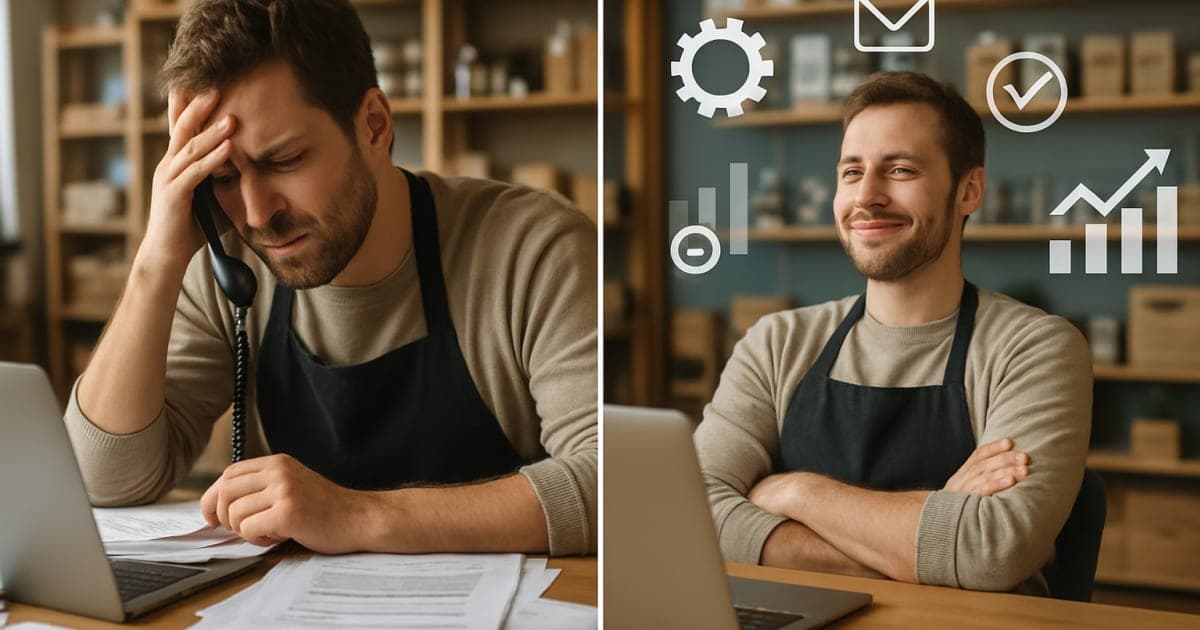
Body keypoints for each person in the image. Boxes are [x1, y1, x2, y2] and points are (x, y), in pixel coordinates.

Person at [63, 0, 596, 557]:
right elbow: (106, 481)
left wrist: (360, 516)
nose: (256, 213)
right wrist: (156, 263)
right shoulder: (229, 266)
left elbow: (611, 482)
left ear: (374, 126)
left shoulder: (534, 248)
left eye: (285, 160)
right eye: (223, 176)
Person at [694, 72, 1091, 593]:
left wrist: (795, 493)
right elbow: (690, 516)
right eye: (852, 171)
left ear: (968, 190)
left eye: (900, 169)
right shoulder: (776, 343)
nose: (867, 196)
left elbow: (991, 550)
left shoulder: (1034, 349)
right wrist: (930, 533)